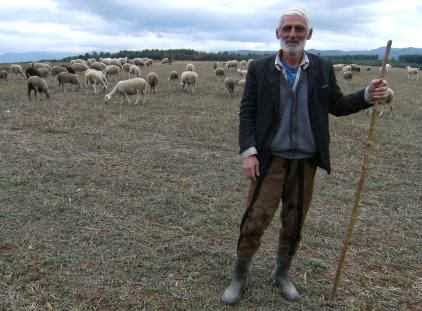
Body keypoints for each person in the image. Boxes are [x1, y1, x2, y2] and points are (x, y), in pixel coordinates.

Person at [221, 8, 393, 305]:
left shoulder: (322, 68)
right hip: (270, 159)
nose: (292, 34)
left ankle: (281, 274)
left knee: (295, 221)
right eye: (287, 28)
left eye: (299, 29)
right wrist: (248, 151)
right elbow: (247, 111)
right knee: (255, 218)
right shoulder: (260, 68)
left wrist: (366, 95)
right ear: (278, 33)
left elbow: (337, 105)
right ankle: (239, 276)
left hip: (306, 162)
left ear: (309, 34)